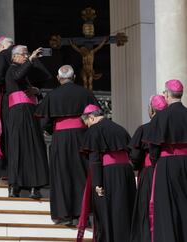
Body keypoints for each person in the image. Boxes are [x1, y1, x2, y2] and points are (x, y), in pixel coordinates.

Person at [35, 65, 98, 225]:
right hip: (81, 137)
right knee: (81, 174)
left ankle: (65, 215)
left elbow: (44, 122)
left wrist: (53, 130)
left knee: (61, 174)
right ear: (74, 77)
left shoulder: (52, 95)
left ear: (58, 78)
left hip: (60, 139)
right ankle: (82, 214)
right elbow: (96, 116)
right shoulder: (85, 93)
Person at [78, 104, 136, 242]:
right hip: (126, 172)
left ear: (91, 118)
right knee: (124, 208)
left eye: (87, 123)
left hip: (107, 174)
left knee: (107, 211)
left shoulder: (94, 131)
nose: (87, 127)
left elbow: (95, 160)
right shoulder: (120, 128)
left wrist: (97, 183)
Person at [143, 79, 187, 242]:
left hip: (166, 165)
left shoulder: (161, 117)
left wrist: (156, 165)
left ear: (167, 94)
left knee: (167, 206)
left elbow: (154, 149)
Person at [4, 45, 49, 199]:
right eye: (23, 54)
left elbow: (40, 80)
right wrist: (30, 60)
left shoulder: (26, 71)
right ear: (14, 56)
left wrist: (37, 91)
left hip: (30, 112)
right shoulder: (11, 69)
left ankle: (34, 186)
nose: (26, 56)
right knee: (17, 147)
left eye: (26, 54)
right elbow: (17, 76)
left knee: (33, 147)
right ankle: (14, 185)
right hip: (18, 112)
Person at [129, 95, 167, 242]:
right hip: (167, 172)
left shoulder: (144, 129)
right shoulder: (171, 127)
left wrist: (137, 167)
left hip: (149, 173)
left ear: (151, 110)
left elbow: (135, 155)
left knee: (146, 208)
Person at [0, 36, 14, 181]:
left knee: (6, 134)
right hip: (27, 102)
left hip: (8, 100)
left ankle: (6, 171)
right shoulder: (26, 55)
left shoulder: (3, 55)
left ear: (1, 46)